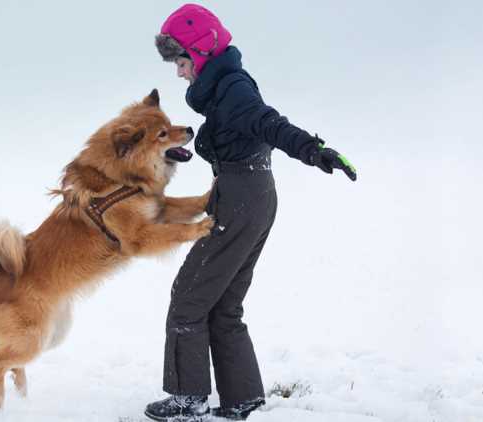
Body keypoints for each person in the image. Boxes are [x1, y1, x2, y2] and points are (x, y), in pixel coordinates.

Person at [145, 4, 357, 421]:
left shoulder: (234, 89)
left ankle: (189, 399)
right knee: (223, 303)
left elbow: (268, 123)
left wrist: (314, 151)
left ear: (202, 54)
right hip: (250, 195)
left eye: (182, 62)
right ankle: (242, 398)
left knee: (189, 297)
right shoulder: (225, 87)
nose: (180, 73)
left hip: (242, 199)